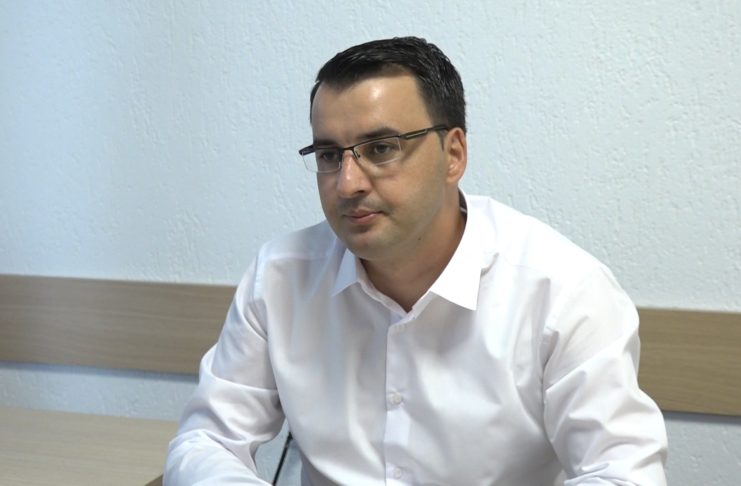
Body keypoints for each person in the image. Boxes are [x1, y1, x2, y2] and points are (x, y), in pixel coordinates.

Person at [165, 36, 668, 485]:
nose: (347, 183)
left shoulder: (563, 290)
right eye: (329, 156)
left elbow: (622, 473)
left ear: (454, 154)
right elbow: (206, 442)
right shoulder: (280, 277)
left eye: (381, 148)